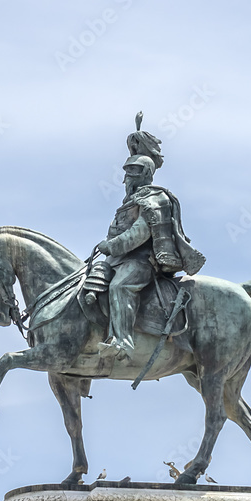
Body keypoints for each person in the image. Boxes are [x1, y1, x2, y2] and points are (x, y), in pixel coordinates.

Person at [90, 115, 205, 358]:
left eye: (133, 173)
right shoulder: (130, 201)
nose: (128, 179)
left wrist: (111, 245)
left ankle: (123, 342)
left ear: (145, 174)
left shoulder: (154, 198)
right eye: (127, 174)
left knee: (121, 287)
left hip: (142, 262)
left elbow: (139, 233)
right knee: (91, 278)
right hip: (118, 260)